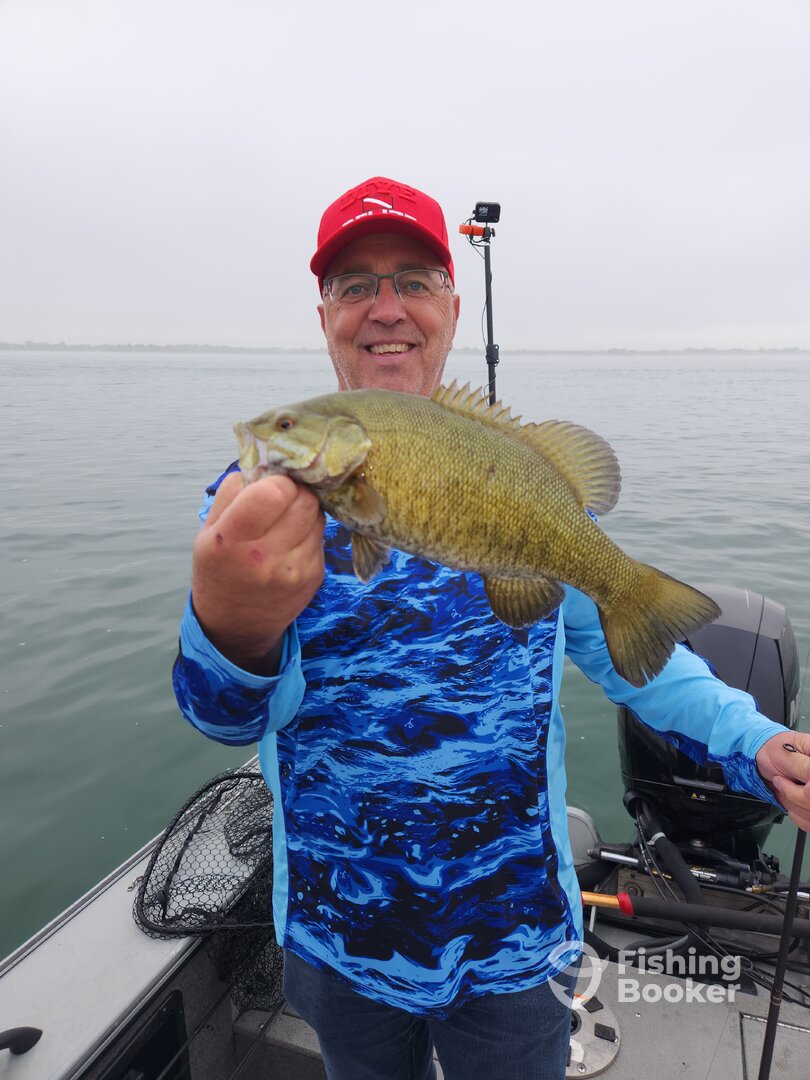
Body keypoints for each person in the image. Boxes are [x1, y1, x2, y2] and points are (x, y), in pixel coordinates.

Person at [173, 176, 810, 1080]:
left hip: (517, 943)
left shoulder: (513, 479)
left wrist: (756, 742)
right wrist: (233, 624)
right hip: (341, 937)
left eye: (414, 281)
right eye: (355, 286)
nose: (385, 308)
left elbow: (638, 660)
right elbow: (224, 718)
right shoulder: (255, 515)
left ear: (451, 307)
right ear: (324, 316)